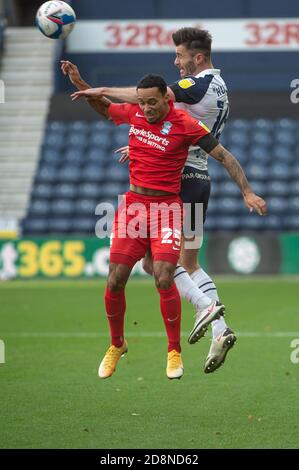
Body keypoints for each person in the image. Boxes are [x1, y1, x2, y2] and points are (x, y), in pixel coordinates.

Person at [70, 74, 266, 381]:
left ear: (167, 99)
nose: (146, 108)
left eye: (151, 102)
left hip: (167, 209)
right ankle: (116, 344)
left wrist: (247, 191)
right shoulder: (134, 112)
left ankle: (174, 351)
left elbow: (224, 156)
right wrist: (81, 82)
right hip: (133, 207)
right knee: (115, 280)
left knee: (163, 275)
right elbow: (105, 107)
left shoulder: (186, 125)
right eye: (142, 102)